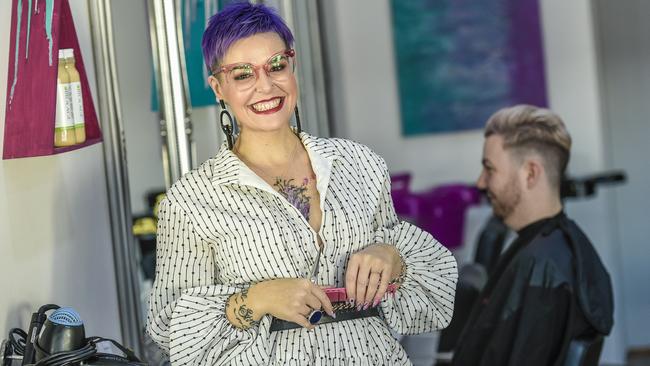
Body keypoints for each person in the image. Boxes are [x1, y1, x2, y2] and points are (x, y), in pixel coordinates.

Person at [145, 2, 457, 365]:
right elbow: (167, 329)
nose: (265, 86)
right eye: (243, 74)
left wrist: (392, 256)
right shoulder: (191, 201)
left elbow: (430, 285)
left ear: (292, 67)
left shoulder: (360, 164)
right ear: (218, 87)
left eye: (276, 65)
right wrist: (255, 300)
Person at [452, 105, 614, 366]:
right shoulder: (558, 251)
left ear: (530, 174)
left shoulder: (541, 267)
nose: (480, 183)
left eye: (489, 169)